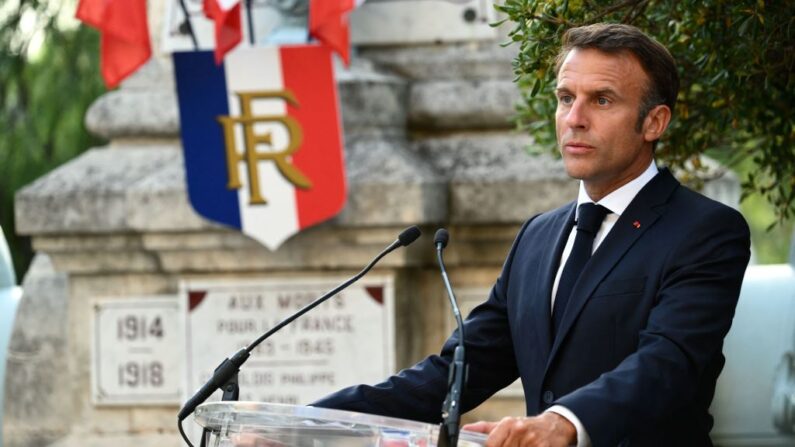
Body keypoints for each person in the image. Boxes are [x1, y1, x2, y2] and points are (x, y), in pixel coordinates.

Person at [313, 23, 751, 446]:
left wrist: (563, 423)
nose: (574, 119)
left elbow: (669, 362)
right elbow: (457, 370)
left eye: (601, 100)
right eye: (565, 98)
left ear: (653, 122)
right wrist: (313, 423)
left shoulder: (705, 231)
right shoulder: (538, 236)